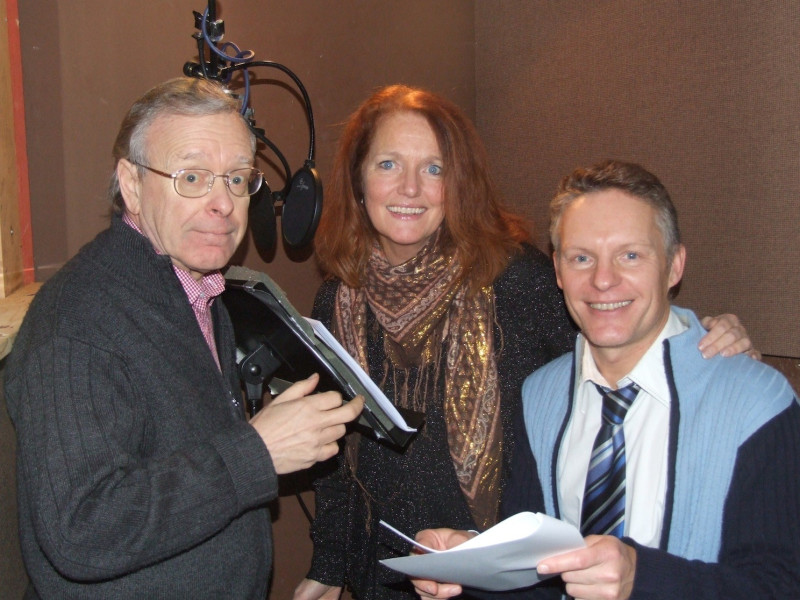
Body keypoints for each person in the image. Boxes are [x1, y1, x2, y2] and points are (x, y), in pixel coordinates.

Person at [293, 87, 756, 600]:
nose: (409, 188)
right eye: (387, 164)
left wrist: (700, 341)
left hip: (498, 580)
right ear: (359, 180)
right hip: (382, 572)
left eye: (434, 169)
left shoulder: (518, 281)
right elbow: (334, 448)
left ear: (459, 183)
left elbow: (621, 347)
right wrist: (328, 566)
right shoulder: (337, 299)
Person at [4, 76, 364, 599]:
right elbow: (81, 530)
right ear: (131, 185)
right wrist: (256, 452)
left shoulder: (194, 287)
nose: (223, 204)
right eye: (192, 177)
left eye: (237, 180)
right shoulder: (77, 324)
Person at [411, 160, 800, 600]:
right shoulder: (541, 395)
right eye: (581, 258)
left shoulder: (757, 402)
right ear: (557, 271)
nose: (602, 280)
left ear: (674, 266)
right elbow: (538, 576)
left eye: (630, 255)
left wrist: (643, 579)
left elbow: (781, 585)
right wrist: (471, 564)